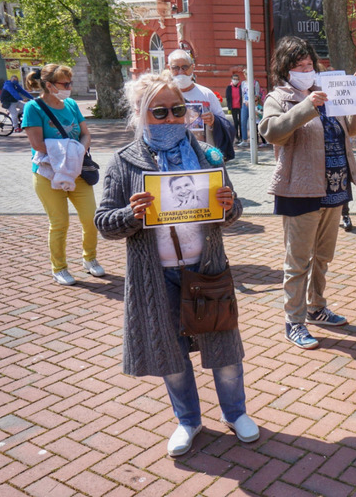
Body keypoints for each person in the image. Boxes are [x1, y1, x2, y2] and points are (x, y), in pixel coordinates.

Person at [94, 71, 258, 458]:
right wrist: (130, 215)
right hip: (156, 275)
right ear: (140, 113)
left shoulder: (206, 154)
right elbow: (104, 223)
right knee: (171, 355)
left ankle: (236, 414)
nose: (170, 118)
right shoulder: (124, 161)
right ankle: (188, 420)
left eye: (177, 110)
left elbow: (230, 211)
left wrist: (228, 206)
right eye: (159, 112)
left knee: (225, 350)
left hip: (206, 268)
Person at [258, 36, 356, 350]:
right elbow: (271, 133)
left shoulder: (330, 92)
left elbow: (351, 130)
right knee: (298, 261)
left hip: (334, 187)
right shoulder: (279, 97)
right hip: (300, 190)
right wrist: (308, 105)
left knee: (322, 256)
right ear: (285, 69)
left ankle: (317, 307)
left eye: (309, 63)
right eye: (298, 65)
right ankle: (294, 321)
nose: (306, 69)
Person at [22, 64, 104, 286]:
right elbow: (37, 144)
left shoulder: (71, 104)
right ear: (49, 85)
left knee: (90, 219)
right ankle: (59, 267)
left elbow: (85, 134)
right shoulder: (33, 108)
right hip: (49, 174)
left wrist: (79, 150)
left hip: (77, 172)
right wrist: (69, 149)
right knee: (60, 223)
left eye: (70, 83)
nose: (69, 87)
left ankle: (90, 259)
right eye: (65, 84)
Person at [240, 67, 263, 146]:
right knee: (243, 121)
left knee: (253, 121)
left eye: (248, 73)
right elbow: (243, 94)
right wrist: (244, 101)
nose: (246, 75)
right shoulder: (243, 83)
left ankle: (254, 139)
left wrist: (251, 101)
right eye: (245, 74)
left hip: (253, 104)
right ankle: (244, 139)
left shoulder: (255, 83)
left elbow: (257, 94)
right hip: (244, 104)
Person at [224, 67, 244, 146]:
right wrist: (229, 108)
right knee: (235, 122)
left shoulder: (241, 87)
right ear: (231, 79)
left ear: (239, 80)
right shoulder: (229, 87)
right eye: (234, 79)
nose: (235, 80)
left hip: (240, 106)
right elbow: (228, 98)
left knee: (241, 122)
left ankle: (242, 136)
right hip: (233, 107)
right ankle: (237, 137)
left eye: (237, 79)